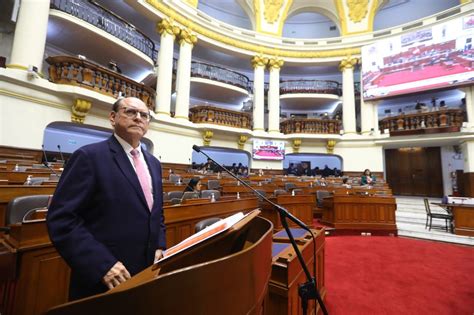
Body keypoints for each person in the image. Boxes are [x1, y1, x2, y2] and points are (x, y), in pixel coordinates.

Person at [47, 97, 166, 300]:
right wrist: (101, 265)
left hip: (145, 270)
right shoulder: (89, 156)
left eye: (144, 115)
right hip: (105, 276)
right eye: (130, 112)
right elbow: (62, 219)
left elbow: (156, 213)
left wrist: (159, 245)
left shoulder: (154, 163)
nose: (138, 118)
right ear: (113, 117)